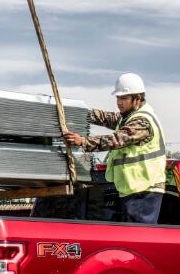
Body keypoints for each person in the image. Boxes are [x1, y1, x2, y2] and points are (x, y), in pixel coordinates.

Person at [62, 72, 168, 224]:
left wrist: (83, 142)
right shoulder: (128, 116)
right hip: (133, 189)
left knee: (138, 238)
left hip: (144, 191)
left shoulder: (142, 121)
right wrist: (76, 112)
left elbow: (115, 140)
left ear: (137, 99)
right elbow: (105, 117)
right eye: (117, 98)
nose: (119, 102)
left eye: (123, 98)